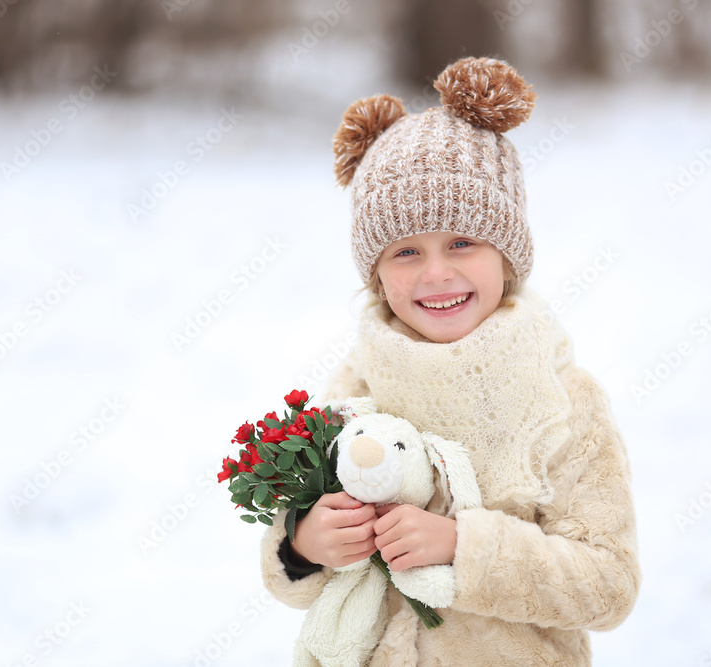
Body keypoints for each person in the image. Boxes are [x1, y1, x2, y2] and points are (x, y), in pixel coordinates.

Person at [261, 56, 640, 666]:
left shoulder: (563, 398)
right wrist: (304, 544)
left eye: (462, 242)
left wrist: (466, 548)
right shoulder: (357, 385)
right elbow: (288, 574)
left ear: (507, 255)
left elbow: (608, 584)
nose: (436, 273)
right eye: (405, 251)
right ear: (378, 276)